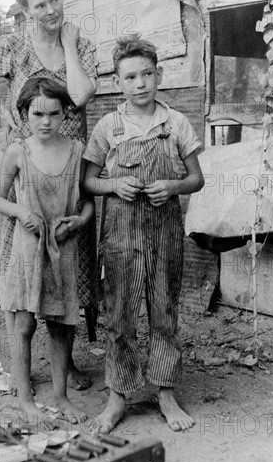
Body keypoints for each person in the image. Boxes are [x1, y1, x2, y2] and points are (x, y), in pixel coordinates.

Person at [0, 0, 97, 390]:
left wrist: (66, 42)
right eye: (40, 5)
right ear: (24, 11)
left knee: (69, 264)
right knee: (23, 265)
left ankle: (64, 365)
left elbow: (82, 96)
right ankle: (21, 367)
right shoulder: (11, 47)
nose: (51, 10)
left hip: (69, 172)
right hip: (26, 173)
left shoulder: (80, 44)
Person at [84, 34, 205, 433]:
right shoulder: (108, 126)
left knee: (164, 311)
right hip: (120, 235)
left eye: (147, 74)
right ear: (118, 82)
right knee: (120, 316)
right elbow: (88, 181)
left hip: (165, 233)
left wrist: (172, 186)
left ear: (159, 75)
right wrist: (113, 185)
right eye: (131, 76)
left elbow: (196, 179)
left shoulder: (176, 123)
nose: (140, 84)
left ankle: (166, 393)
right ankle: (117, 398)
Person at [0, 77, 93, 426]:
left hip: (63, 249)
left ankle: (61, 396)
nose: (46, 121)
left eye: (54, 113)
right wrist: (22, 212)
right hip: (27, 249)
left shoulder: (77, 150)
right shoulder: (19, 151)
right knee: (23, 323)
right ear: (24, 114)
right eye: (38, 114)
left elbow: (89, 203)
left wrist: (78, 222)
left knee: (62, 326)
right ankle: (25, 398)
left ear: (65, 113)